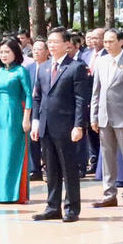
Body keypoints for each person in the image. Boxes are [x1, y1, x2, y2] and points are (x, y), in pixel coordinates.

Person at [30, 27, 90, 223]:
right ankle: (52, 206)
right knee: (51, 169)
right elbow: (37, 97)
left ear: (67, 44)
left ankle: (72, 208)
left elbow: (81, 99)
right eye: (50, 42)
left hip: (66, 126)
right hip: (46, 126)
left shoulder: (75, 67)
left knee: (69, 169)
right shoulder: (44, 67)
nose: (52, 45)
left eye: (56, 42)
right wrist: (36, 122)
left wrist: (79, 125)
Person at [90, 28, 123, 209]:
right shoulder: (101, 61)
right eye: (105, 41)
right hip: (104, 116)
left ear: (121, 42)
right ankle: (109, 193)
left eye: (111, 41)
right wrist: (94, 115)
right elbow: (96, 91)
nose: (107, 45)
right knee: (107, 156)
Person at [0, 38, 33, 204]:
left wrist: (26, 118)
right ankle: (1, 193)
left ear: (15, 53)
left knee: (12, 152)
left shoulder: (21, 71)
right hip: (1, 116)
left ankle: (14, 193)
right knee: (1, 154)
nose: (3, 55)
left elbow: (29, 95)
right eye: (1, 52)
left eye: (7, 52)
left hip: (16, 114)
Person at [25, 39, 49, 181]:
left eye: (39, 49)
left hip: (46, 107)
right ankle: (35, 169)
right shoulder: (28, 68)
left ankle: (47, 167)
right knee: (32, 138)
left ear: (46, 51)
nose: (36, 52)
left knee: (45, 139)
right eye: (34, 49)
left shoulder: (50, 67)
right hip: (31, 106)